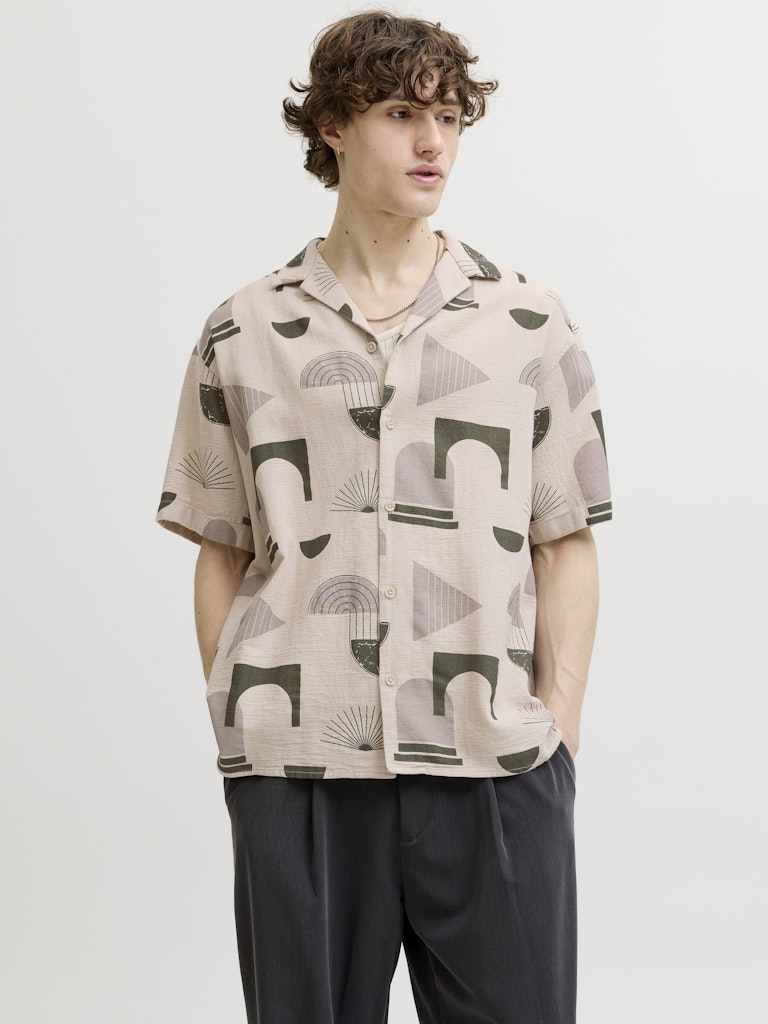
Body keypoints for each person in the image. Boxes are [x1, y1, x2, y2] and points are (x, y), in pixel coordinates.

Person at [156, 10, 612, 1023]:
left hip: (496, 759)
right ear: (332, 126)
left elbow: (565, 536)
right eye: (402, 113)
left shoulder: (529, 321)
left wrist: (559, 719)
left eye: (448, 118)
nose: (432, 142)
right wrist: (238, 711)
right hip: (299, 766)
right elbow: (220, 546)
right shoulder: (244, 329)